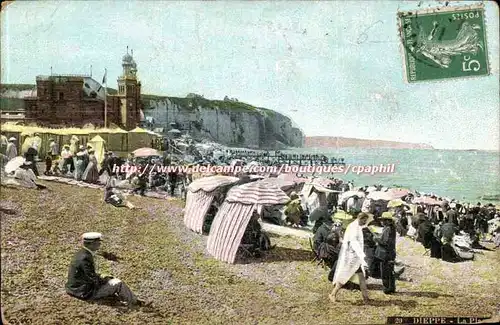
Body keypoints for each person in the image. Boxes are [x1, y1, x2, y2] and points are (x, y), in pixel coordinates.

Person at [65, 232, 145, 307]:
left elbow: (88, 274)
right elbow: (92, 278)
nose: (100, 244)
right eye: (98, 242)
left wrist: (103, 277)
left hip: (74, 288)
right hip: (83, 292)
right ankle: (135, 303)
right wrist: (105, 280)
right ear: (91, 244)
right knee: (118, 283)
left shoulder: (81, 253)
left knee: (108, 279)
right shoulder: (85, 258)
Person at [329, 212, 370, 303]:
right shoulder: (354, 227)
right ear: (360, 218)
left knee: (361, 277)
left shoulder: (357, 227)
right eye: (364, 220)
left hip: (356, 258)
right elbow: (354, 243)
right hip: (351, 257)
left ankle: (365, 297)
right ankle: (332, 294)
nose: (365, 222)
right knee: (344, 277)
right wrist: (362, 255)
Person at [374, 212, 397, 294]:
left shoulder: (387, 229)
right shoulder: (391, 228)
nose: (381, 222)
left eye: (383, 220)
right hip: (390, 252)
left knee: (385, 272)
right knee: (390, 271)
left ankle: (386, 288)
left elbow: (384, 242)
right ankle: (391, 288)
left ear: (387, 221)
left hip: (385, 253)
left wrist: (376, 238)